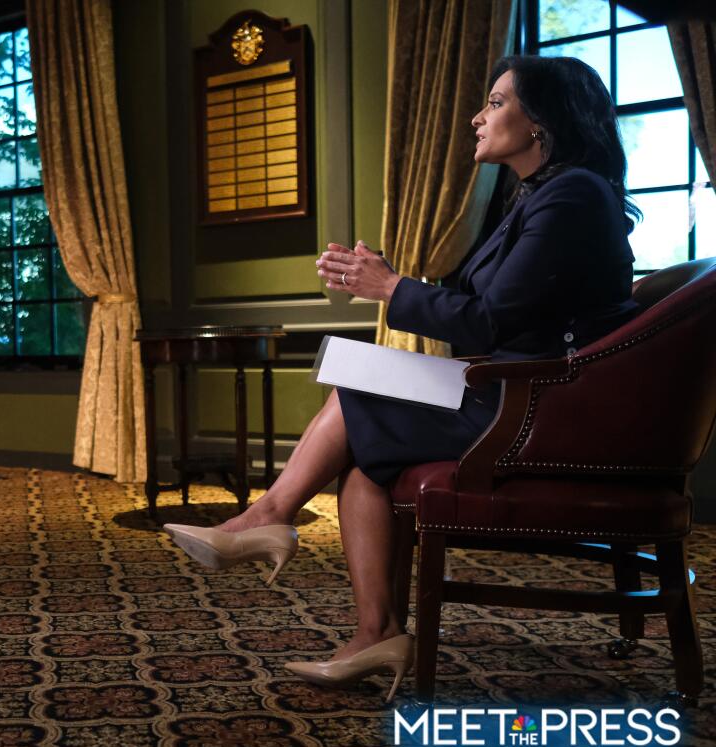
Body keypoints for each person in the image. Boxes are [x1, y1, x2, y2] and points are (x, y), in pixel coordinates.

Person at [165, 56, 641, 701]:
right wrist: (390, 279)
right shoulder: (539, 194)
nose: (478, 116)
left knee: (361, 383)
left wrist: (390, 288)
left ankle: (271, 514)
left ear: (542, 123)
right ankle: (375, 632)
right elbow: (492, 307)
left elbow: (488, 324)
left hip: (542, 407)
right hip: (515, 390)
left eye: (496, 102)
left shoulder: (574, 193)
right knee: (364, 460)